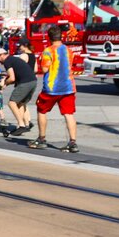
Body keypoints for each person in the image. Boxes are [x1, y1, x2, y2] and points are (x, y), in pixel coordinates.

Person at [28, 25, 79, 153]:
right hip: (68, 87)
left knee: (42, 110)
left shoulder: (48, 51)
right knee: (69, 114)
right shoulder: (69, 50)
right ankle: (72, 142)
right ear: (60, 36)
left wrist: (40, 62)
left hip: (52, 87)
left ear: (49, 38)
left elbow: (45, 69)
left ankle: (42, 139)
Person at [0, 46, 36, 134]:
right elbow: (15, 77)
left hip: (26, 82)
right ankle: (24, 125)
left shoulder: (7, 61)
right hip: (33, 81)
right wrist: (6, 82)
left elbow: (12, 78)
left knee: (12, 103)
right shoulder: (13, 59)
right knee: (20, 103)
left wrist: (4, 84)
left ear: (1, 55)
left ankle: (21, 125)